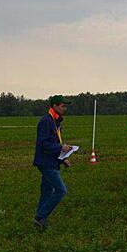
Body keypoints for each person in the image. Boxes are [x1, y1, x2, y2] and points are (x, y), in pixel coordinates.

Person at [32, 95, 73, 231]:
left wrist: (62, 159)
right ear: (54, 106)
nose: (65, 109)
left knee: (47, 191)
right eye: (63, 106)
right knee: (61, 190)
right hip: (46, 162)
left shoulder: (56, 122)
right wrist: (61, 148)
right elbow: (43, 144)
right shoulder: (46, 121)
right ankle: (40, 216)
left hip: (52, 161)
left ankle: (39, 222)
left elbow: (53, 144)